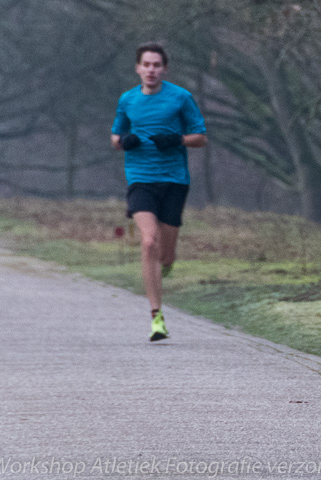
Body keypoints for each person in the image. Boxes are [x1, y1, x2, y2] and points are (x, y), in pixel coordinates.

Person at [111, 42, 207, 341]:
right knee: (149, 241)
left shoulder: (180, 98)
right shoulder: (127, 100)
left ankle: (168, 260)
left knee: (165, 253)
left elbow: (201, 138)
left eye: (156, 65)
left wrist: (177, 140)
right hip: (140, 179)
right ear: (138, 68)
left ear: (164, 68)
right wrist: (124, 142)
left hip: (174, 180)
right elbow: (116, 136)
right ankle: (156, 317)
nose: (151, 70)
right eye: (146, 64)